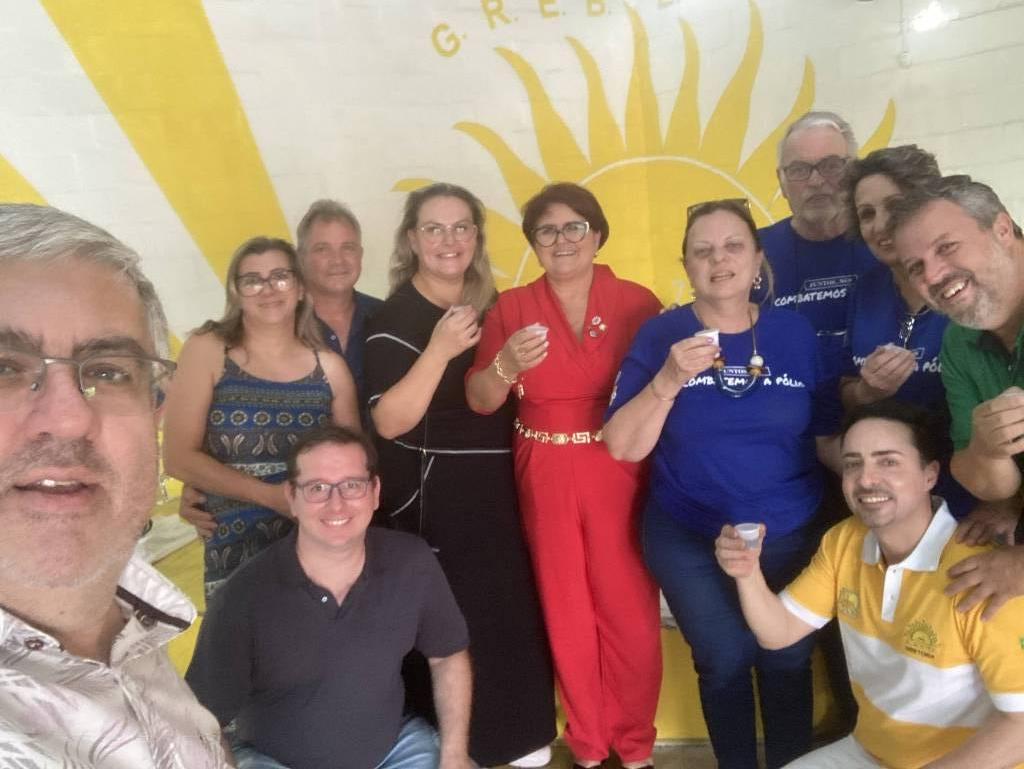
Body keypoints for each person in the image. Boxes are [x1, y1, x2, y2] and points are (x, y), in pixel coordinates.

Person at [604, 198, 841, 769]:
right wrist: (667, 380)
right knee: (724, 659)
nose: (719, 260)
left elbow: (828, 435)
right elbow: (621, 445)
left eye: (734, 246)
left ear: (758, 259)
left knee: (787, 655)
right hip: (689, 533)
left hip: (788, 529)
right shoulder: (662, 334)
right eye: (702, 250)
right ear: (686, 265)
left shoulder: (794, 332)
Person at [0, 203, 231, 767]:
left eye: (108, 372)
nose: (69, 418)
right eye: (4, 368)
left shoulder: (136, 620)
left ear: (155, 413)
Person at [465, 183, 663, 769]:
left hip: (619, 465)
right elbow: (480, 398)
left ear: (597, 234)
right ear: (533, 243)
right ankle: (588, 745)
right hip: (544, 467)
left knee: (630, 612)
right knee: (566, 609)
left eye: (574, 226)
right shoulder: (511, 308)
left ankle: (635, 746)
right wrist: (505, 365)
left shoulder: (637, 302)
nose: (562, 240)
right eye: (547, 231)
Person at [715, 400, 1024, 768]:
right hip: (870, 752)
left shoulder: (984, 576)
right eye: (853, 464)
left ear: (929, 475)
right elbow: (778, 632)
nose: (865, 479)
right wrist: (747, 573)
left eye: (887, 462)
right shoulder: (844, 541)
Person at [364, 182, 556, 767]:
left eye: (461, 227)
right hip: (433, 500)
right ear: (411, 239)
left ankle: (522, 740)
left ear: (476, 236)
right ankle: (457, 752)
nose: (449, 240)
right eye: (434, 228)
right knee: (453, 628)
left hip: (502, 489)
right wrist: (440, 349)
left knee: (509, 613)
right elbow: (389, 420)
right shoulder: (394, 317)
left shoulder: (497, 307)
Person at [186, 425, 472, 769]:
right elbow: (199, 722)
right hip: (275, 761)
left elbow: (447, 657)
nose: (336, 504)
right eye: (317, 488)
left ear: (375, 492)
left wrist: (454, 757)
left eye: (352, 485)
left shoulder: (412, 561)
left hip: (395, 751)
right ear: (291, 497)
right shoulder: (241, 599)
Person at [162, 236, 358, 597]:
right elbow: (177, 457)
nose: (268, 289)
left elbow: (354, 468)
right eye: (252, 280)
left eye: (280, 276)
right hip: (236, 556)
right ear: (236, 292)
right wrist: (271, 496)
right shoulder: (208, 349)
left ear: (300, 287)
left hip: (319, 551)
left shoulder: (331, 369)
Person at [887, 175, 1024, 621]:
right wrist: (988, 450)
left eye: (947, 247)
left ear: (1001, 229)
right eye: (915, 267)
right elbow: (985, 478)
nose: (932, 276)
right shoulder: (960, 339)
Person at [838, 145, 976, 520]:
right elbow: (845, 391)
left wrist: (1005, 501)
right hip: (891, 505)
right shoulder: (865, 290)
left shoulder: (965, 284)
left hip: (974, 498)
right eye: (867, 214)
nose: (880, 224)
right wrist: (866, 392)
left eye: (895, 206)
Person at [760, 110, 877, 380]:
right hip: (788, 401)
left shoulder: (883, 244)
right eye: (799, 170)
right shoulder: (752, 253)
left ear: (854, 173)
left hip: (878, 401)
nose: (815, 181)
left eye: (831, 165)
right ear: (782, 181)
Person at [296, 199, 383, 405]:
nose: (337, 260)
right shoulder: (284, 324)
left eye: (348, 248)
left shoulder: (386, 317)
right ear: (301, 258)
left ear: (360, 255)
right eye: (322, 249)